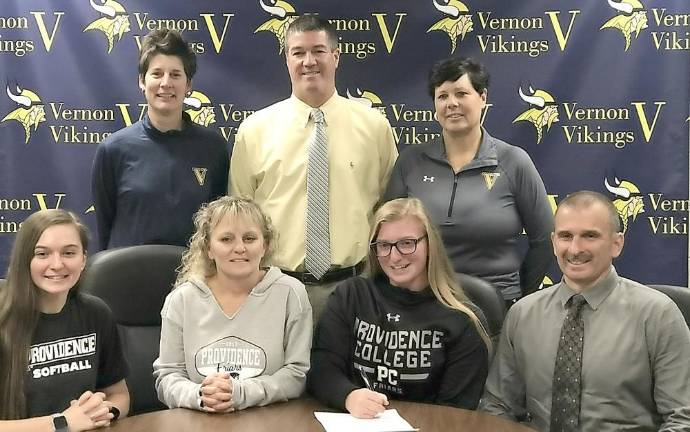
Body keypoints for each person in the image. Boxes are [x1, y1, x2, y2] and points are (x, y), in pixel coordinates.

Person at [230, 15, 398, 322]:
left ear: (336, 57)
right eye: (298, 52)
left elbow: (392, 210)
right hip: (274, 291)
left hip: (355, 289)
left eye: (319, 51)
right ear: (287, 60)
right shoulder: (254, 131)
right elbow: (239, 219)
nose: (309, 61)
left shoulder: (376, 128)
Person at [480, 191, 690, 431]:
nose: (575, 248)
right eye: (565, 236)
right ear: (553, 242)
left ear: (616, 243)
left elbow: (682, 418)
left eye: (590, 236)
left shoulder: (658, 315)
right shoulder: (522, 314)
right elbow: (497, 407)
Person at [384, 57, 552, 307]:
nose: (452, 103)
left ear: (483, 98)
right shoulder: (410, 161)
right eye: (442, 96)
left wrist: (520, 302)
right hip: (421, 305)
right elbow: (387, 237)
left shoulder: (514, 162)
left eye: (461, 93)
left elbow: (545, 239)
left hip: (496, 308)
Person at [307, 198, 489, 418]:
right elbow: (322, 368)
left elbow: (454, 413)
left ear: (430, 244)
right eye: (384, 245)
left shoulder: (463, 320)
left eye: (406, 243)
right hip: (354, 421)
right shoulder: (351, 295)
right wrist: (349, 396)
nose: (394, 256)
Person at [153, 196, 312, 412]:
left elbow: (296, 375)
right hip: (198, 421)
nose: (239, 248)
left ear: (264, 245)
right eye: (226, 239)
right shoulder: (181, 300)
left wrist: (240, 393)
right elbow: (168, 377)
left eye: (249, 238)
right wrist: (201, 395)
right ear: (208, 248)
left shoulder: (291, 293)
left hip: (269, 421)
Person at [91, 28, 228, 250]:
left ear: (188, 84)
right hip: (127, 279)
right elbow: (105, 227)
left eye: (175, 74)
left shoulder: (214, 149)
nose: (166, 83)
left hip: (193, 280)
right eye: (157, 74)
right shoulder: (113, 149)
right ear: (142, 81)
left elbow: (220, 227)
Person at [0, 209, 129, 431]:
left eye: (69, 253)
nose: (57, 264)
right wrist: (62, 422)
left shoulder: (96, 313)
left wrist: (104, 411)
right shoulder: (4, 318)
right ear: (25, 259)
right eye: (42, 254)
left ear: (83, 259)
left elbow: (119, 395)